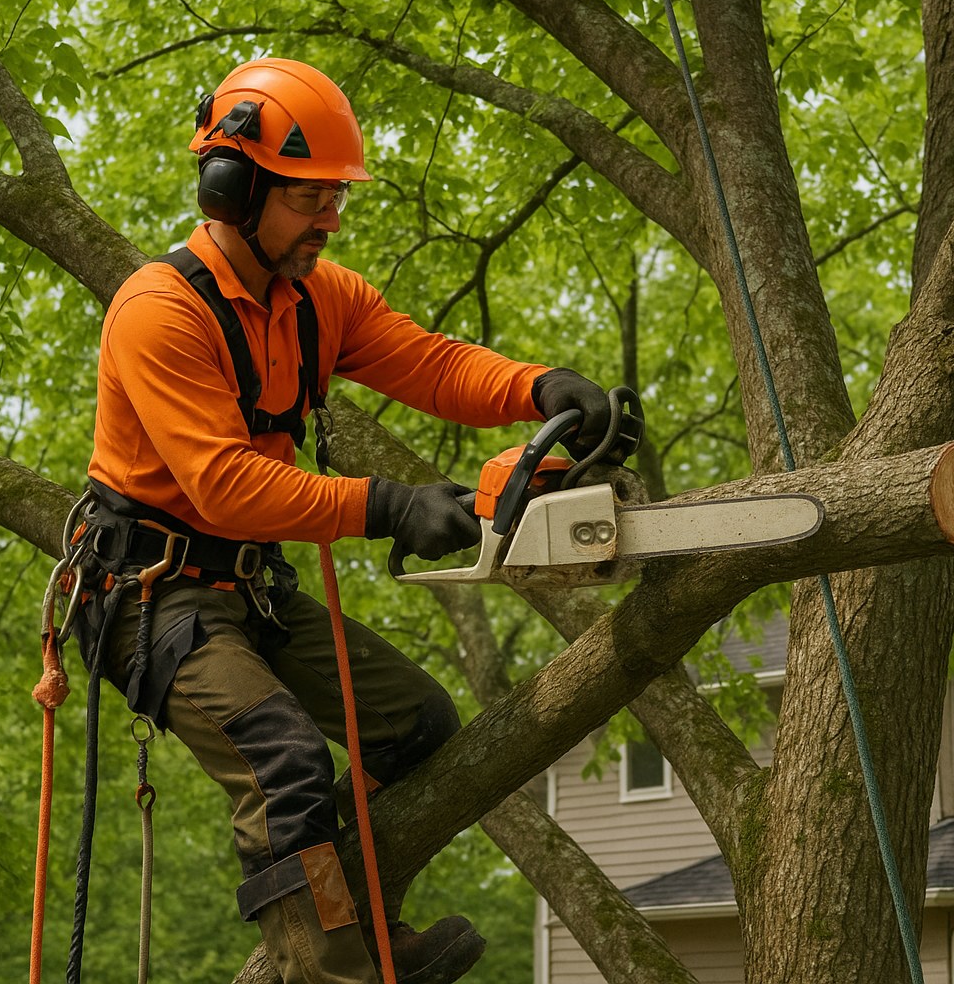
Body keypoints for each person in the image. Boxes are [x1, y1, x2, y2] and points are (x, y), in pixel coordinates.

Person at [76, 57, 611, 984]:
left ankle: (357, 922)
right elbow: (224, 487)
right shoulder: (159, 312)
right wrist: (387, 505)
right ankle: (336, 973)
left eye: (335, 197)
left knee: (415, 725)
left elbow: (430, 363)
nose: (330, 218)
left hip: (246, 588)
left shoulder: (320, 296)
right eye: (310, 198)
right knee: (281, 753)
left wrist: (540, 389)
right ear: (234, 189)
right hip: (150, 598)